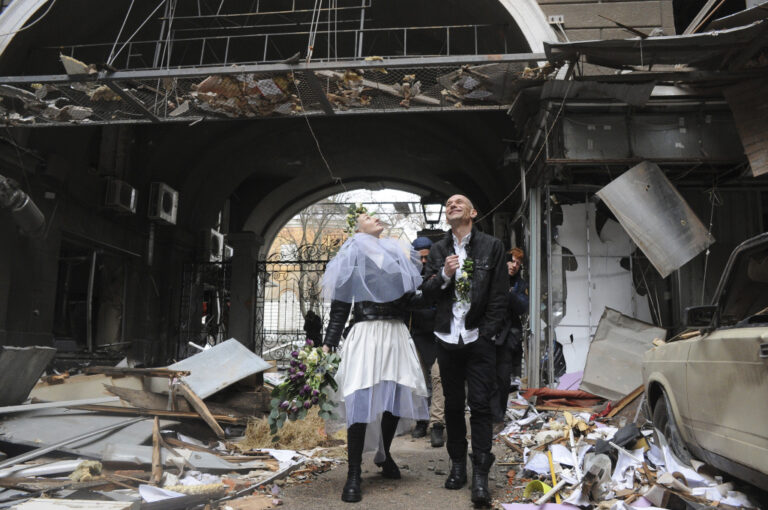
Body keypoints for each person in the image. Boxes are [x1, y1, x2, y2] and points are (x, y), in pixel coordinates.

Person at [321, 208, 429, 504]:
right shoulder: (350, 255)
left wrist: (441, 282)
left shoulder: (397, 253)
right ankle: (353, 472)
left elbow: (410, 298)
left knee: (394, 399)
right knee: (360, 398)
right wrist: (328, 344)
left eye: (377, 216)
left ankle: (384, 453)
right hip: (366, 334)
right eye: (368, 216)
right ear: (358, 225)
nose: (376, 218)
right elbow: (341, 306)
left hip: (395, 333)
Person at [422, 194, 507, 507]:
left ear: (473, 212)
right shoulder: (440, 250)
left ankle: (481, 476)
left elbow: (499, 296)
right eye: (448, 204)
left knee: (481, 406)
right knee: (454, 406)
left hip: (477, 339)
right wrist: (444, 274)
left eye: (459, 201)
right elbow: (426, 292)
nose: (451, 204)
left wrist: (486, 334)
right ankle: (458, 465)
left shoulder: (492, 246)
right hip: (447, 338)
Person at [409, 236, 445, 448]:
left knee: (438, 377)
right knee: (420, 382)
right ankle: (422, 420)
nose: (423, 261)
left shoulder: (442, 274)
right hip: (418, 335)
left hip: (440, 333)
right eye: (419, 257)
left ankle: (437, 425)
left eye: (426, 257)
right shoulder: (408, 277)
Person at [491, 247, 529, 428]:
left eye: (518, 264)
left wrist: (510, 292)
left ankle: (498, 418)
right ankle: (489, 416)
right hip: (489, 334)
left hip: (507, 339)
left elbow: (523, 307)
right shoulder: (493, 277)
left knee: (503, 379)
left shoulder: (519, 285)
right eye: (512, 261)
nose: (514, 266)